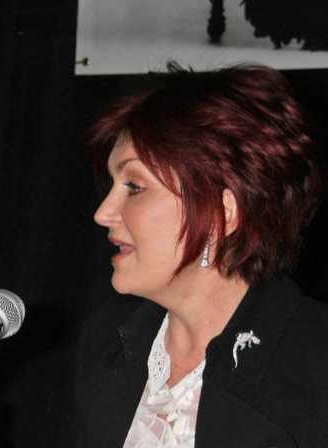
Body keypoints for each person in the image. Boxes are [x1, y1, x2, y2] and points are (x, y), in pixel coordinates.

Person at [73, 63, 328, 447]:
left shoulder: (315, 357)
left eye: (135, 187)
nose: (103, 213)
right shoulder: (105, 345)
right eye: (112, 185)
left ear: (221, 213)